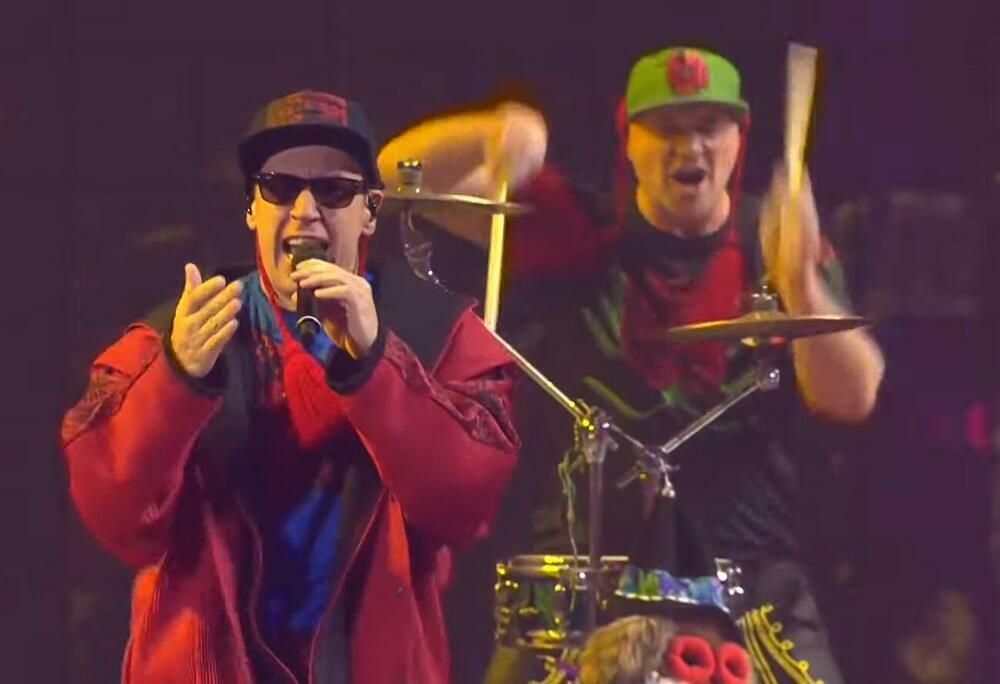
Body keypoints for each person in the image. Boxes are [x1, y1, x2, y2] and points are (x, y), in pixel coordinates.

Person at [378, 46, 885, 683]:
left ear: (739, 138)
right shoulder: (579, 231)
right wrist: (495, 131)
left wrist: (802, 281)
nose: (690, 147)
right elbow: (395, 173)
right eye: (667, 129)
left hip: (747, 586)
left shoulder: (773, 240)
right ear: (629, 139)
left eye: (709, 127)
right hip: (580, 580)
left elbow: (853, 398)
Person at [60, 90, 520, 684]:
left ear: (371, 211)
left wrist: (377, 362)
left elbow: (466, 504)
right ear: (252, 210)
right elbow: (115, 515)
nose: (304, 210)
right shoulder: (173, 335)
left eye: (333, 190)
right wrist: (175, 379)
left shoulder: (440, 332)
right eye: (279, 187)